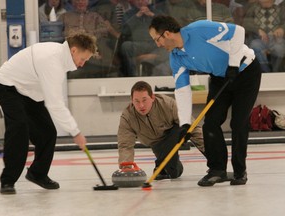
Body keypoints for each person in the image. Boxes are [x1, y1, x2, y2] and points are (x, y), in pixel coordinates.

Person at [148, 15, 262, 186]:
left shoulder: (198, 29)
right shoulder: (176, 58)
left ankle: (240, 172)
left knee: (238, 123)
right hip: (219, 78)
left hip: (245, 71)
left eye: (157, 39)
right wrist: (185, 123)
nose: (157, 44)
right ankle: (217, 170)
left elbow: (238, 31)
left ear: (167, 34)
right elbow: (182, 90)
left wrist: (233, 64)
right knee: (210, 123)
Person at [0, 33, 96, 195]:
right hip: (7, 85)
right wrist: (75, 132)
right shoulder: (53, 61)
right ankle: (8, 181)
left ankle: (37, 173)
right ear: (74, 50)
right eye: (83, 59)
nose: (83, 64)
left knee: (48, 132)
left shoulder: (60, 58)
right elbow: (55, 103)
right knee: (19, 127)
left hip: (28, 91)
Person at [117, 81, 205, 180]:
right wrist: (126, 166)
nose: (141, 105)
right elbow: (125, 143)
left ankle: (161, 164)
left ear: (152, 97)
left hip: (174, 135)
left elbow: (193, 127)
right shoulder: (127, 116)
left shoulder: (168, 104)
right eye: (136, 101)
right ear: (131, 100)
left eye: (144, 100)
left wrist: (212, 156)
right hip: (156, 144)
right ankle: (164, 166)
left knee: (184, 125)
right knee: (174, 172)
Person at [243, 0, 285, 72]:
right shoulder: (253, 8)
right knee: (255, 46)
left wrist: (282, 29)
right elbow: (246, 22)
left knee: (280, 49)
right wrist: (258, 30)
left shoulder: (281, 8)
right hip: (258, 39)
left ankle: (277, 72)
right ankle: (265, 71)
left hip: (276, 39)